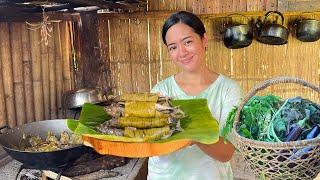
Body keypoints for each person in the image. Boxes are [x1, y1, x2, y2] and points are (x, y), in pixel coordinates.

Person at [148, 11, 243, 180]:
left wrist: (192, 133)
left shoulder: (228, 90)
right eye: (173, 47)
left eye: (188, 42)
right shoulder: (161, 91)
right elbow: (152, 144)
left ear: (204, 40)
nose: (182, 52)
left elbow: (226, 153)